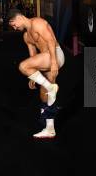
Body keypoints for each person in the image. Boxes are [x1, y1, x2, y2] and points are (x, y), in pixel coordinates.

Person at [9, 9, 64, 139]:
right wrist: (33, 75)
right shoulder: (26, 36)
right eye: (12, 26)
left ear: (19, 17)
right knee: (45, 95)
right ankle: (50, 129)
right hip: (44, 60)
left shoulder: (37, 23)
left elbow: (51, 41)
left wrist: (54, 62)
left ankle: (51, 87)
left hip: (55, 55)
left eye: (13, 24)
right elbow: (33, 56)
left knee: (22, 66)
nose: (14, 27)